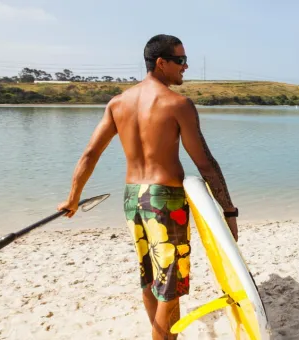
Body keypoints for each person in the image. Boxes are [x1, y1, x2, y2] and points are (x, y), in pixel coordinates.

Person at [57, 34, 239, 340]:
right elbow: (205, 163)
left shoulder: (118, 103)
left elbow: (90, 154)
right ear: (161, 63)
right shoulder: (178, 104)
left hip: (133, 199)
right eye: (180, 61)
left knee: (150, 276)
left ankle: (168, 336)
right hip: (165, 200)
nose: (185, 67)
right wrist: (229, 211)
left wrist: (72, 198)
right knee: (170, 284)